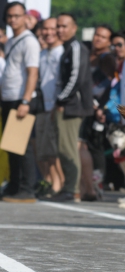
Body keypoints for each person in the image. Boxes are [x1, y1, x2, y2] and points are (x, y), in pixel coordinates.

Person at [44, 12, 93, 202]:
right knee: (62, 148)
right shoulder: (67, 48)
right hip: (67, 104)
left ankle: (72, 190)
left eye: (64, 26)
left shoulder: (76, 47)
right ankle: (69, 187)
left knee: (68, 149)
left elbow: (76, 78)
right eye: (58, 26)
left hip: (73, 106)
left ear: (74, 28)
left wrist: (60, 100)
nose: (60, 30)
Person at [1, 2, 40, 203]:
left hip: (21, 99)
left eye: (16, 16)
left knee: (21, 147)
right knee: (11, 145)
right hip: (8, 98)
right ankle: (14, 186)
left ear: (25, 17)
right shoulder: (10, 41)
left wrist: (25, 100)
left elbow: (33, 73)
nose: (13, 20)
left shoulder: (29, 41)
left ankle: (27, 189)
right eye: (9, 16)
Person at [79, 24, 115, 201]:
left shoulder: (108, 59)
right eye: (97, 35)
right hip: (82, 106)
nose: (98, 39)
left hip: (97, 108)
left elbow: (108, 86)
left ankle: (97, 183)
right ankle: (86, 184)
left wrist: (100, 106)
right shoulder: (85, 52)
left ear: (109, 41)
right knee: (84, 144)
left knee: (95, 146)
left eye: (103, 37)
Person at [34, 17, 65, 198]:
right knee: (45, 150)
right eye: (45, 29)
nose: (49, 32)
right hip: (43, 106)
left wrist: (58, 104)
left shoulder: (62, 52)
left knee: (54, 150)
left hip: (57, 107)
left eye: (53, 29)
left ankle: (59, 184)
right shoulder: (42, 54)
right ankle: (54, 183)